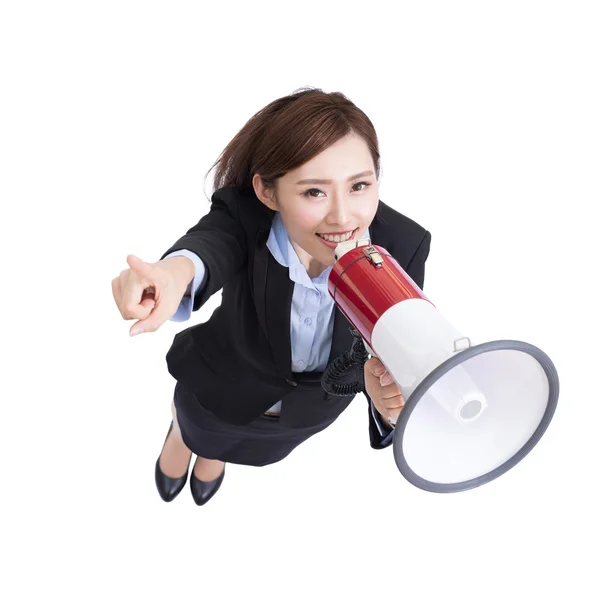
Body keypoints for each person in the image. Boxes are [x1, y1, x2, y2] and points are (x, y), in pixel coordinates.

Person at [111, 87, 432, 505]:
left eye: (359, 185)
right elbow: (212, 245)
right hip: (220, 387)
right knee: (199, 430)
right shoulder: (246, 217)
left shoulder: (403, 243)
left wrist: (388, 397)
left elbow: (393, 334)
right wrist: (174, 274)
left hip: (307, 411)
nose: (342, 217)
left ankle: (213, 456)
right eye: (314, 192)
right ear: (267, 192)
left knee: (255, 450)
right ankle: (185, 440)